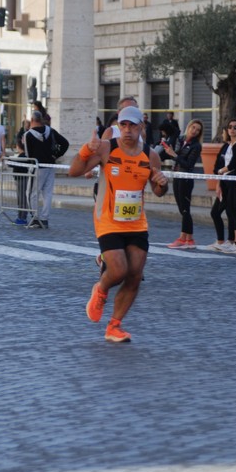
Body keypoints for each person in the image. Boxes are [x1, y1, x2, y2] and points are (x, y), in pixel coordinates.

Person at [69, 106, 168, 343]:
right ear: (118, 126)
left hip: (136, 223)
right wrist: (85, 150)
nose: (127, 130)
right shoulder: (106, 148)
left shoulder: (150, 155)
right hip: (108, 221)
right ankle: (101, 289)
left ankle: (114, 326)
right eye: (123, 125)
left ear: (141, 128)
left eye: (133, 126)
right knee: (119, 270)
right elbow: (74, 171)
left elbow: (158, 190)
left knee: (134, 275)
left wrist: (162, 183)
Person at [23, 110, 69, 228]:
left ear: (32, 120)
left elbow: (28, 154)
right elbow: (65, 143)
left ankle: (34, 218)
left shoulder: (28, 135)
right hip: (50, 165)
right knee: (47, 193)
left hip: (37, 167)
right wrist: (56, 155)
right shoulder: (50, 131)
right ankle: (44, 219)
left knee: (31, 193)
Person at [164, 119, 204, 249]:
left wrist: (174, 155)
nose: (195, 131)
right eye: (193, 127)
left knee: (185, 209)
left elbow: (188, 165)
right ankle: (189, 239)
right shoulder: (180, 139)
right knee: (182, 209)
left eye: (198, 130)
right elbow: (172, 155)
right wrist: (169, 150)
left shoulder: (196, 146)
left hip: (186, 178)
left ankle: (183, 238)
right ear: (189, 127)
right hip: (176, 176)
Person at [211, 118, 236, 253]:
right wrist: (219, 178)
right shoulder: (227, 145)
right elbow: (219, 163)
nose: (232, 129)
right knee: (230, 211)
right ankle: (231, 241)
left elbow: (233, 165)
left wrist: (220, 171)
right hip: (225, 181)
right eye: (230, 127)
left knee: (235, 211)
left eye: (235, 127)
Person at [10, 137, 29, 226]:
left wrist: (6, 158)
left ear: (18, 146)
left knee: (22, 199)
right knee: (21, 199)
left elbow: (13, 164)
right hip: (20, 179)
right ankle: (21, 216)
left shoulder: (23, 156)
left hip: (22, 179)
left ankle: (22, 217)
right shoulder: (23, 156)